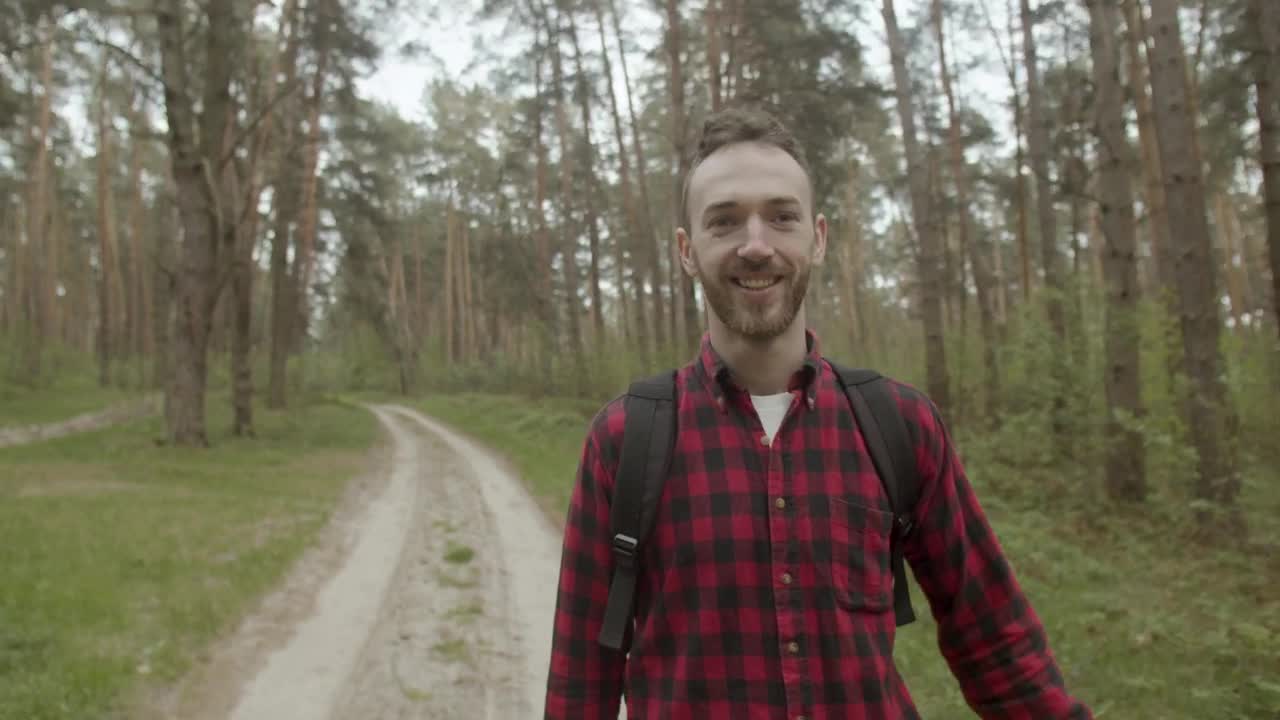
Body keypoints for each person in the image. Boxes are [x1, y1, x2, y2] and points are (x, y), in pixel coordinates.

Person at [542, 106, 1092, 720]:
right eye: (724, 222)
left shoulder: (897, 425)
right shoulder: (626, 439)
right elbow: (580, 680)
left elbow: (993, 636)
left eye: (781, 217)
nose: (756, 245)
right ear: (687, 251)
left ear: (818, 237)